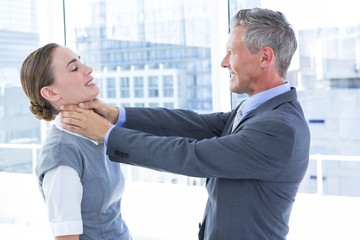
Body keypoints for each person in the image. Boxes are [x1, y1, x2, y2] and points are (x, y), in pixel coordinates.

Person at [60, 8, 310, 240]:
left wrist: (108, 134)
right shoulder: (258, 109)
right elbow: (191, 123)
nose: (224, 62)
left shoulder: (279, 128)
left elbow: (191, 156)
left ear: (265, 57)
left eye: (231, 52)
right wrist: (116, 115)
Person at [20, 43, 132, 240]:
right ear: (52, 93)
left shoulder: (97, 131)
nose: (88, 69)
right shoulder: (62, 154)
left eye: (82, 62)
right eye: (74, 68)